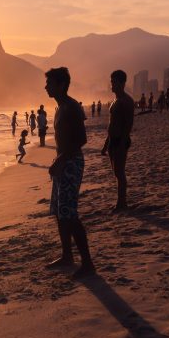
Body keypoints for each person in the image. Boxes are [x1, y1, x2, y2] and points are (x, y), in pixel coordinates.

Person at [44, 67, 96, 278]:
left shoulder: (72, 107)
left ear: (61, 85)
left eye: (50, 83)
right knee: (59, 211)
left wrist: (61, 160)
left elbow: (81, 140)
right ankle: (67, 255)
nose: (46, 86)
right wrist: (58, 160)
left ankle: (88, 264)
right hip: (62, 162)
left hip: (71, 163)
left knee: (70, 214)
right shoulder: (59, 108)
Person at [101, 70, 135, 212]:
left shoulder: (126, 101)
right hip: (112, 140)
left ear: (122, 83)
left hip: (121, 140)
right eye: (111, 82)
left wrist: (122, 143)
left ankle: (122, 203)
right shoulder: (115, 100)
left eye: (114, 82)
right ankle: (120, 201)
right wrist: (106, 143)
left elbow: (128, 124)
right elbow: (112, 123)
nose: (112, 85)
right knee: (116, 172)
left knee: (119, 172)